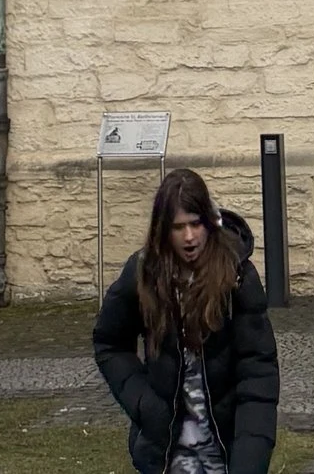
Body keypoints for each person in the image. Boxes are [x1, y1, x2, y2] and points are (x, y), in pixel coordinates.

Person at [94, 164, 279, 474]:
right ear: (163, 230)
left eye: (195, 224)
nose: (189, 237)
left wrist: (250, 457)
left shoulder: (236, 277)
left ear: (209, 222)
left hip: (225, 453)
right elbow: (109, 343)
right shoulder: (143, 274)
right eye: (179, 227)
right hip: (166, 456)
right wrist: (146, 405)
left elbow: (258, 371)